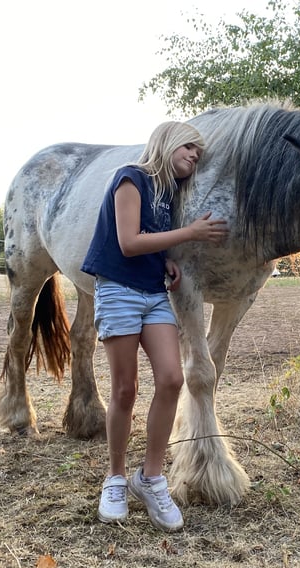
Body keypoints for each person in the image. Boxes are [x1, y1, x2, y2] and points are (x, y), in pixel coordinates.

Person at [81, 121, 229, 532]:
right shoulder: (131, 177)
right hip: (118, 293)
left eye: (198, 154)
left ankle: (150, 479)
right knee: (125, 389)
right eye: (189, 148)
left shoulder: (167, 195)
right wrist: (192, 233)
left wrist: (164, 260)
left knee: (171, 379)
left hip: (152, 293)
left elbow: (148, 243)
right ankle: (114, 479)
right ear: (166, 143)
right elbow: (128, 242)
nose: (194, 157)